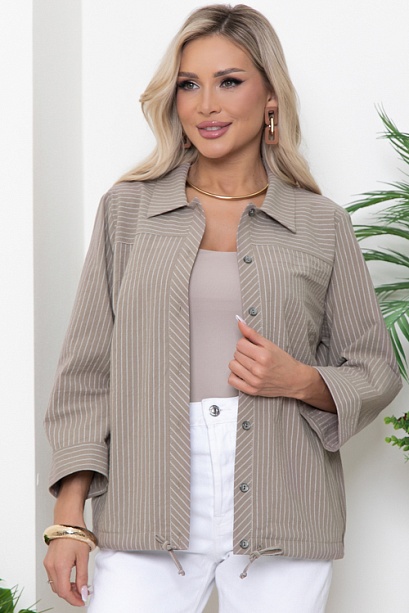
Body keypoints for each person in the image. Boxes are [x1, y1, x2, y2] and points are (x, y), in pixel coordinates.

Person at [43, 4, 402, 612]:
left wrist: (301, 380)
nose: (206, 104)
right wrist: (69, 518)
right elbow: (87, 373)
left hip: (285, 497)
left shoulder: (320, 223)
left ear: (270, 97)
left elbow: (375, 369)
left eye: (229, 81)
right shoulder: (128, 211)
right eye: (189, 84)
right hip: (146, 491)